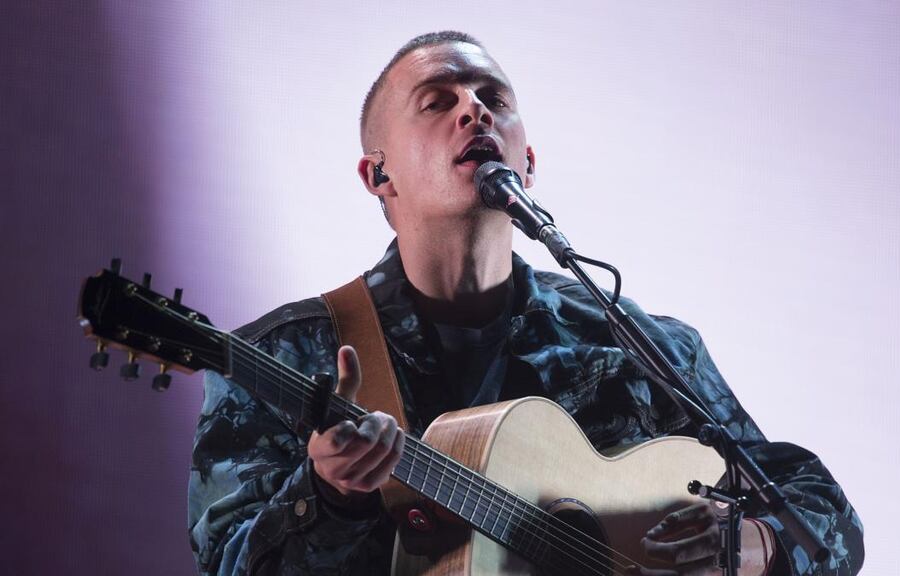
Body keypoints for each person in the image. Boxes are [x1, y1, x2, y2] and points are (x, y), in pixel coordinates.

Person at [188, 31, 864, 576]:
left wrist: (753, 544)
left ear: (527, 161)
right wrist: (329, 495)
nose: (474, 110)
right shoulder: (281, 358)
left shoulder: (640, 345)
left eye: (492, 97)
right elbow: (228, 565)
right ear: (379, 173)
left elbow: (822, 516)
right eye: (437, 100)